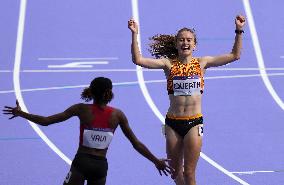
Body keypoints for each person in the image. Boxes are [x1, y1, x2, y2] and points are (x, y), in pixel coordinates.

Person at [128, 15, 246, 185]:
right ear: (176, 44)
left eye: (189, 40)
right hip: (172, 123)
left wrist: (239, 30)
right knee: (176, 174)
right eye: (182, 40)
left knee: (189, 173)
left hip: (194, 123)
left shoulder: (202, 63)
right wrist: (135, 34)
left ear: (195, 45)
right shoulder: (168, 64)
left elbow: (235, 55)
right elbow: (138, 60)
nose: (185, 43)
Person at [2, 77, 173, 185]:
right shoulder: (117, 115)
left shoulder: (81, 109)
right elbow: (136, 144)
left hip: (81, 163)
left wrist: (21, 113)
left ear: (91, 92)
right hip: (100, 167)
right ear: (109, 93)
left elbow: (46, 121)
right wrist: (155, 160)